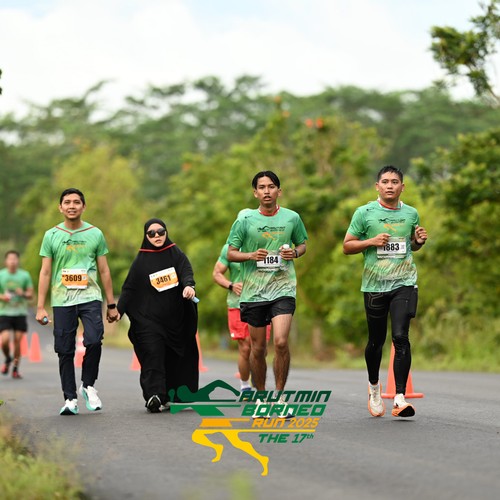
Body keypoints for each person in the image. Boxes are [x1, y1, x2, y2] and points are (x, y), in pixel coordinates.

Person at [343, 165, 428, 418]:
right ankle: (374, 387)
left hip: (404, 282)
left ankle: (400, 398)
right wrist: (371, 241)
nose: (390, 186)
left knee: (401, 337)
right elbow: (347, 246)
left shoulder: (411, 213)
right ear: (377, 186)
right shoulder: (364, 213)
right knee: (376, 341)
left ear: (403, 187)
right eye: (385, 182)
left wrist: (418, 242)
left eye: (395, 182)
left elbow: (410, 246)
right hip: (374, 285)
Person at [226, 171, 308, 415]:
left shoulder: (292, 217)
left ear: (279, 191)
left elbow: (302, 244)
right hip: (253, 293)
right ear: (255, 193)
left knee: (280, 341)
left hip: (283, 288)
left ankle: (280, 399)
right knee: (258, 348)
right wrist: (251, 255)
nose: (267, 191)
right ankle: (261, 398)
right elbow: (231, 253)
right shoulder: (245, 220)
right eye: (261, 187)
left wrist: (295, 252)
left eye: (271, 186)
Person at [36, 188, 119, 416]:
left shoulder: (95, 233)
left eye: (76, 202)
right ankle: (70, 399)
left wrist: (111, 304)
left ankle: (88, 385)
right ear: (60, 207)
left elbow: (104, 270)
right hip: (62, 300)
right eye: (67, 202)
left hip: (90, 297)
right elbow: (45, 272)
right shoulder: (51, 235)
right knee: (65, 350)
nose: (71, 206)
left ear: (83, 206)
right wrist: (40, 307)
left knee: (94, 340)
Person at [117, 218, 199, 413]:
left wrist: (189, 285)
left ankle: (169, 395)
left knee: (172, 357)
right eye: (151, 233)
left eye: (161, 231)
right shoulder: (141, 261)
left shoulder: (175, 253)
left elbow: (186, 271)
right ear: (146, 236)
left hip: (175, 320)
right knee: (153, 353)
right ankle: (154, 395)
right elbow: (129, 289)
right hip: (148, 320)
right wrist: (118, 310)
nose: (157, 236)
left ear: (166, 232)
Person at [212, 241, 270, 393]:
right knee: (245, 347)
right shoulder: (230, 248)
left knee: (261, 348)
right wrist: (231, 285)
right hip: (238, 304)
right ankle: (245, 386)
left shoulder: (267, 243)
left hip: (263, 302)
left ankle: (257, 377)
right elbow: (217, 273)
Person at [0, 250, 34, 379]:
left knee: (17, 342)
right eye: (10, 259)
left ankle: (15, 368)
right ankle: (8, 358)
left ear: (18, 261)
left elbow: (31, 295)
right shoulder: (1, 275)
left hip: (20, 312)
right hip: (5, 312)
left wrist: (23, 293)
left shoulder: (24, 275)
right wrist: (3, 297)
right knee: (4, 340)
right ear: (6, 261)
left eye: (15, 259)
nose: (12, 261)